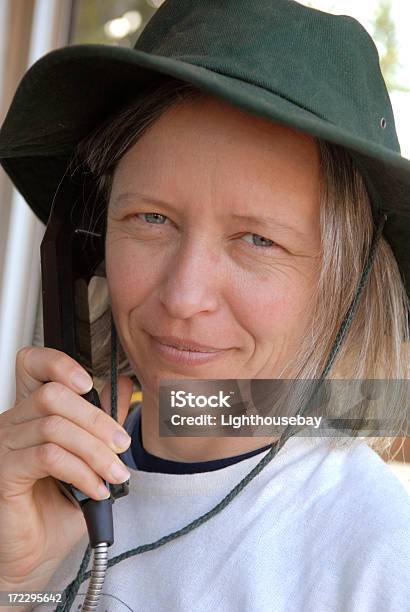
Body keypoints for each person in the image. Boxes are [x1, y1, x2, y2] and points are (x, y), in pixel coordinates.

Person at [0, 1, 409, 611]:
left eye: (258, 239)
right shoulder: (32, 488)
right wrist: (18, 583)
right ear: (88, 243)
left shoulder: (378, 559)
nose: (183, 297)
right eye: (152, 218)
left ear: (345, 281)